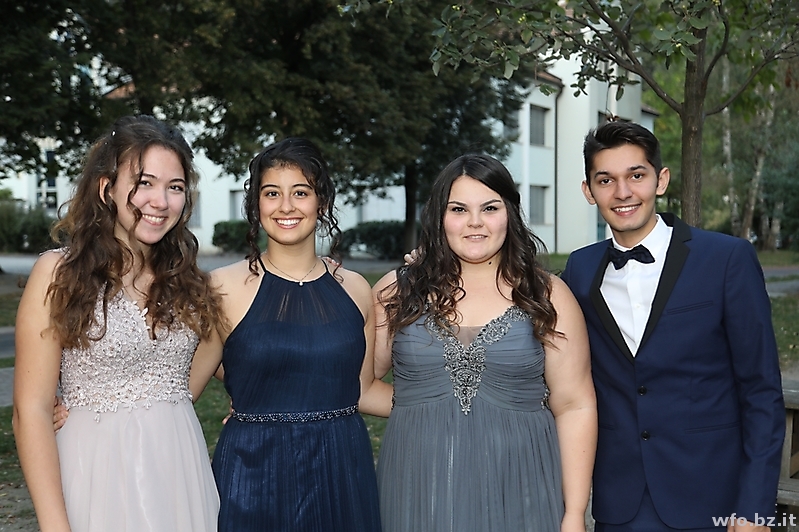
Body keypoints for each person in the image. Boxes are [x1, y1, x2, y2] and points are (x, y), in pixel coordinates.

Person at [561, 121, 785, 531]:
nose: (623, 192)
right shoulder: (580, 268)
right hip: (620, 502)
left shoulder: (726, 259)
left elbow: (761, 390)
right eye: (606, 180)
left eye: (636, 175)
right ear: (588, 191)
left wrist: (755, 507)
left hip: (713, 497)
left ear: (661, 180)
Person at [13, 115, 223, 531]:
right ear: (106, 188)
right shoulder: (59, 274)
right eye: (144, 183)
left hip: (180, 474)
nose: (161, 201)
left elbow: (221, 359)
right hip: (96, 473)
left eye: (175, 187)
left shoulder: (188, 279)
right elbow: (30, 411)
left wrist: (253, 404)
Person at [373, 153, 597, 532]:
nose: (474, 222)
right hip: (421, 485)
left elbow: (575, 405)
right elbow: (357, 386)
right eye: (458, 209)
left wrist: (574, 513)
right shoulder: (397, 292)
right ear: (439, 216)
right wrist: (423, 403)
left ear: (509, 213)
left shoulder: (547, 295)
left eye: (489, 208)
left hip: (521, 487)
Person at [188, 137, 390, 531]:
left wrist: (452, 402)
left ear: (322, 203)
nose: (285, 206)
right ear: (255, 205)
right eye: (271, 193)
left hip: (341, 472)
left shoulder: (355, 289)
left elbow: (364, 390)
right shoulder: (221, 288)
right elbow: (182, 388)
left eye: (300, 192)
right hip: (253, 474)